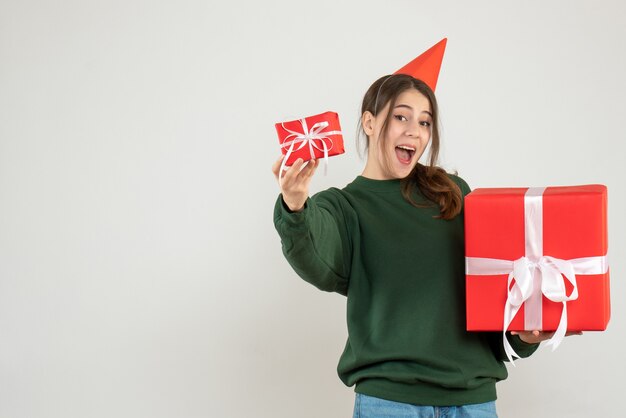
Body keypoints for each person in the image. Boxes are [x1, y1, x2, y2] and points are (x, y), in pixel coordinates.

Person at [271, 67, 558, 417]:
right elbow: (317, 259)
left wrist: (523, 338)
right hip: (390, 402)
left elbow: (492, 292)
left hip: (473, 400)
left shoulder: (454, 193)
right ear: (369, 122)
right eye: (400, 117)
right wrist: (296, 204)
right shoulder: (342, 206)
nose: (414, 130)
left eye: (424, 122)